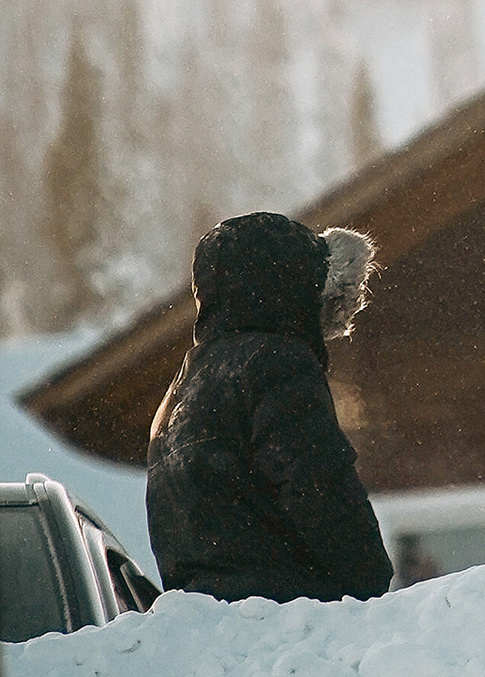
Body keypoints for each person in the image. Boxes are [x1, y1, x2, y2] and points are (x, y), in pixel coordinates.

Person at [146, 212, 394, 604]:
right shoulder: (277, 365)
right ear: (293, 286)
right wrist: (370, 577)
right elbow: (317, 483)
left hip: (209, 617)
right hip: (287, 610)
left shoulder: (184, 387)